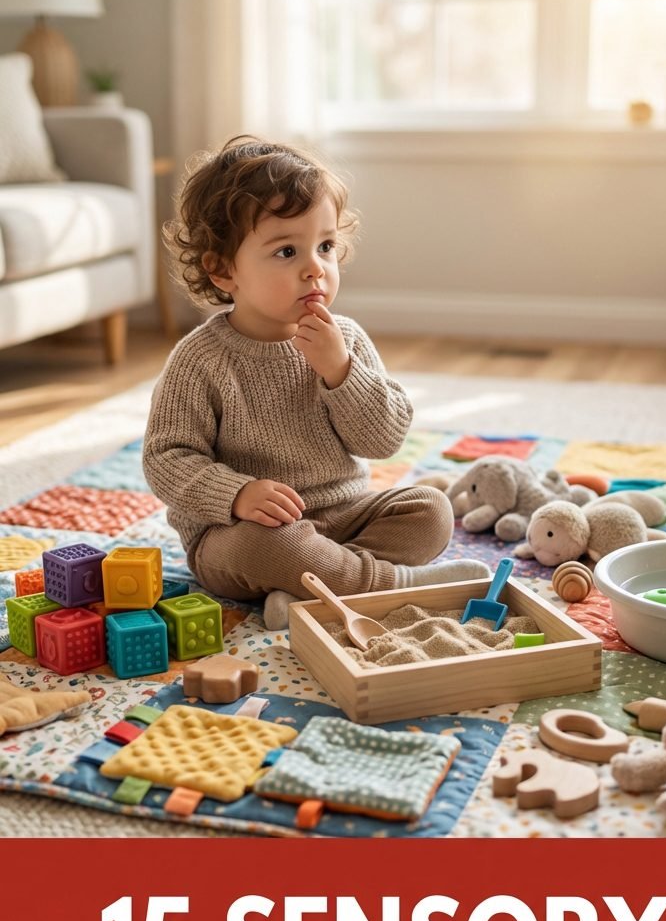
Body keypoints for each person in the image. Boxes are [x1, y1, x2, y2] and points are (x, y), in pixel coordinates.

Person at [143, 137, 489, 628]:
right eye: (287, 251)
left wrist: (341, 372)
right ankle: (389, 585)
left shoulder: (344, 339)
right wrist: (237, 494)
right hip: (246, 532)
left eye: (325, 246)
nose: (315, 269)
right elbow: (166, 458)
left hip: (344, 517)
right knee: (272, 544)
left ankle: (314, 591)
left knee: (432, 509)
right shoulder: (201, 359)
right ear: (223, 271)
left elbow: (383, 440)